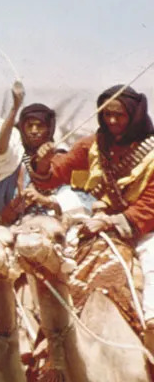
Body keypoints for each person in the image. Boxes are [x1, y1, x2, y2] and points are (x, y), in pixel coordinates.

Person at [32, 84, 154, 350]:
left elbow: (149, 206)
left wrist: (109, 221)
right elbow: (57, 172)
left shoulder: (151, 152)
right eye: (107, 114)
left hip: (144, 229)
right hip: (98, 225)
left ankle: (151, 330)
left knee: (152, 265)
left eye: (119, 115)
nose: (112, 121)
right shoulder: (94, 144)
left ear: (133, 115)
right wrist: (43, 162)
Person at [0, 82, 72, 225]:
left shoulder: (60, 157)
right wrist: (15, 108)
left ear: (49, 129)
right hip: (13, 223)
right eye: (29, 126)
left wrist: (46, 200)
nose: (34, 131)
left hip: (51, 223)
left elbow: (71, 196)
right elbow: (0, 149)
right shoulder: (15, 155)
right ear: (22, 128)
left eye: (39, 126)